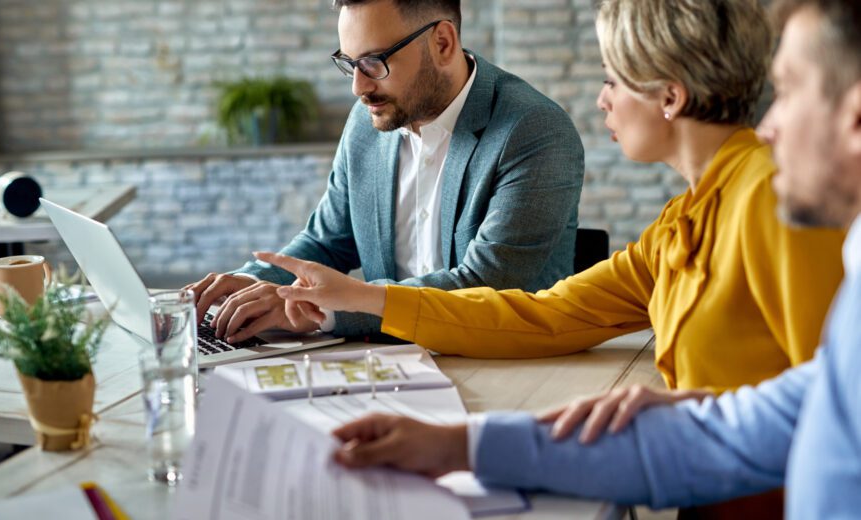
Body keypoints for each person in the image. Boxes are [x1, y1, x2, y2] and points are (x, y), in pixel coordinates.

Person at [268, 0, 861, 517]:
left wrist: (703, 409)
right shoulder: (684, 220)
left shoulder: (769, 195)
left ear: (670, 97)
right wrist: (365, 299)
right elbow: (545, 315)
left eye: (612, 79)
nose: (601, 100)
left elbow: (831, 415)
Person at [186, 0, 584, 341]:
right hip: (391, 363)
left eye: (374, 61)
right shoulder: (369, 122)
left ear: (442, 43)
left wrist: (319, 308)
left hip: (507, 365)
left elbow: (485, 286)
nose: (358, 87)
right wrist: (248, 285)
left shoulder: (533, 129)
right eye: (349, 63)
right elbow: (327, 242)